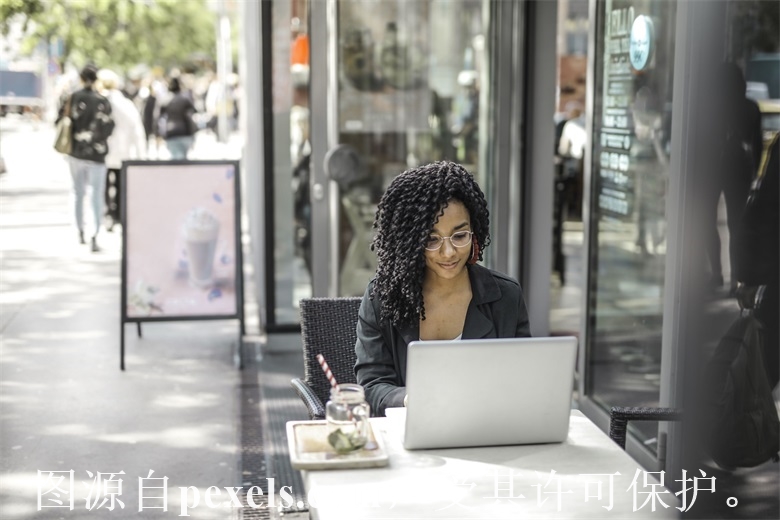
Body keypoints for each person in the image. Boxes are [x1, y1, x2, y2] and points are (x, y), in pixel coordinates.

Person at [354, 161, 532, 416]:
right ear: (410, 242)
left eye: (460, 236)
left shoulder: (506, 297)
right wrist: (409, 399)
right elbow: (371, 387)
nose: (448, 253)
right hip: (409, 436)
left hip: (488, 431)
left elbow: (523, 382)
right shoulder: (382, 297)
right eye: (431, 239)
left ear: (475, 232)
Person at [57, 64, 115, 252]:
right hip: (97, 154)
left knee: (78, 192)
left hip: (76, 152)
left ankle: (80, 229)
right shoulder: (102, 101)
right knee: (96, 194)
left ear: (81, 78)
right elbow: (109, 127)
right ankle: (94, 233)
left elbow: (61, 121)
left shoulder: (72, 97)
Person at [97, 69, 147, 231]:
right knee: (120, 183)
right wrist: (141, 154)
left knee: (103, 184)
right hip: (123, 151)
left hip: (102, 151)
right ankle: (117, 213)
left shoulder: (99, 101)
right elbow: (137, 129)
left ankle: (107, 214)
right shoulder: (125, 103)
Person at [158, 77, 197, 160]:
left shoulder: (165, 100)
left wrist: (158, 134)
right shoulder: (185, 99)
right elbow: (192, 114)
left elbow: (159, 118)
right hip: (184, 132)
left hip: (172, 132)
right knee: (182, 159)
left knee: (176, 159)